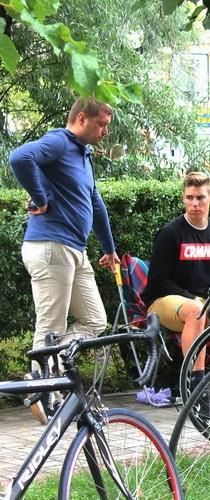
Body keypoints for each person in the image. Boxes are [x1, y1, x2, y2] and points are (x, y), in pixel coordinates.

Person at [9, 97, 120, 425]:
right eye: (101, 125)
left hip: (75, 250)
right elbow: (20, 158)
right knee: (51, 325)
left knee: (95, 321)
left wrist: (109, 248)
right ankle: (43, 389)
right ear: (82, 118)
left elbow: (95, 203)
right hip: (50, 246)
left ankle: (47, 370)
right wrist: (40, 197)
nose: (105, 132)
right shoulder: (60, 141)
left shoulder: (83, 155)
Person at [141, 172, 210, 412]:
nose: (195, 203)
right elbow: (158, 280)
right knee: (197, 311)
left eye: (200, 197)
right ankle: (196, 387)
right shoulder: (170, 233)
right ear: (183, 199)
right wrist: (192, 298)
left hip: (205, 300)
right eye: (189, 198)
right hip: (164, 302)